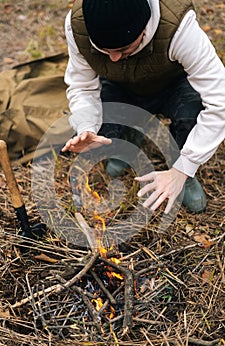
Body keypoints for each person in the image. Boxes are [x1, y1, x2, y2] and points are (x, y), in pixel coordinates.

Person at [62, 0, 225, 214]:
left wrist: (184, 167)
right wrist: (86, 127)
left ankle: (182, 174)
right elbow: (82, 85)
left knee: (191, 115)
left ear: (145, 26)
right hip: (120, 85)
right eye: (103, 49)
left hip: (173, 84)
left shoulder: (179, 27)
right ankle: (129, 136)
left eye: (123, 48)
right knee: (98, 122)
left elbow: (220, 100)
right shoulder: (77, 27)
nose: (113, 58)